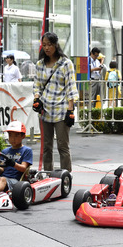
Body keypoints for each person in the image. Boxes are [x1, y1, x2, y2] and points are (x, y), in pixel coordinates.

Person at [33, 32, 79, 172]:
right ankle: (48, 176)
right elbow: (37, 85)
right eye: (44, 45)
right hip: (45, 110)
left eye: (50, 45)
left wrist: (70, 110)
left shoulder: (66, 63)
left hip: (61, 109)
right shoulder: (40, 64)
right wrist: (36, 99)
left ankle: (66, 176)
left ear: (56, 45)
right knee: (46, 146)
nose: (47, 48)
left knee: (62, 146)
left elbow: (70, 86)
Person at [0, 121, 33, 193]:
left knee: (3, 179)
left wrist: (13, 164)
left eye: (16, 135)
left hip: (16, 181)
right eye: (10, 135)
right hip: (2, 179)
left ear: (23, 136)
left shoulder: (26, 150)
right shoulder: (4, 151)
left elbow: (23, 168)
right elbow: (2, 169)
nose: (13, 138)